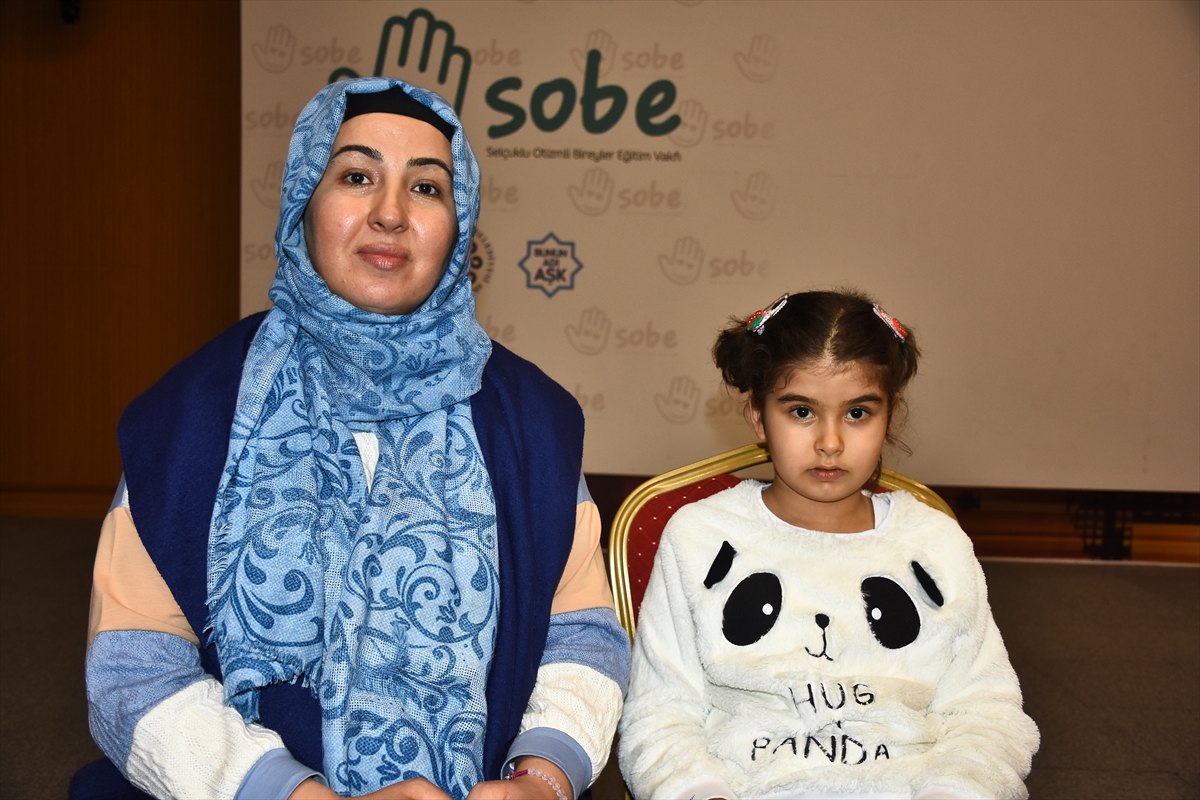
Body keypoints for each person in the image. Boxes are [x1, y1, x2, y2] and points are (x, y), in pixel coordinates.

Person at [74, 78, 629, 800]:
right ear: (303, 202)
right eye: (357, 177)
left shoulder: (530, 419)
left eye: (426, 187)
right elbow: (134, 671)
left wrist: (543, 778)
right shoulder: (195, 413)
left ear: (460, 224)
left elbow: (583, 637)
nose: (390, 213)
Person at [618, 290, 1039, 800]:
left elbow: (986, 713)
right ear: (757, 414)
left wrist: (953, 792)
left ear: (890, 415)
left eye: (858, 413)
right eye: (801, 411)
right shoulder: (698, 538)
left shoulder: (935, 543)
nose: (830, 442)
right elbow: (661, 714)